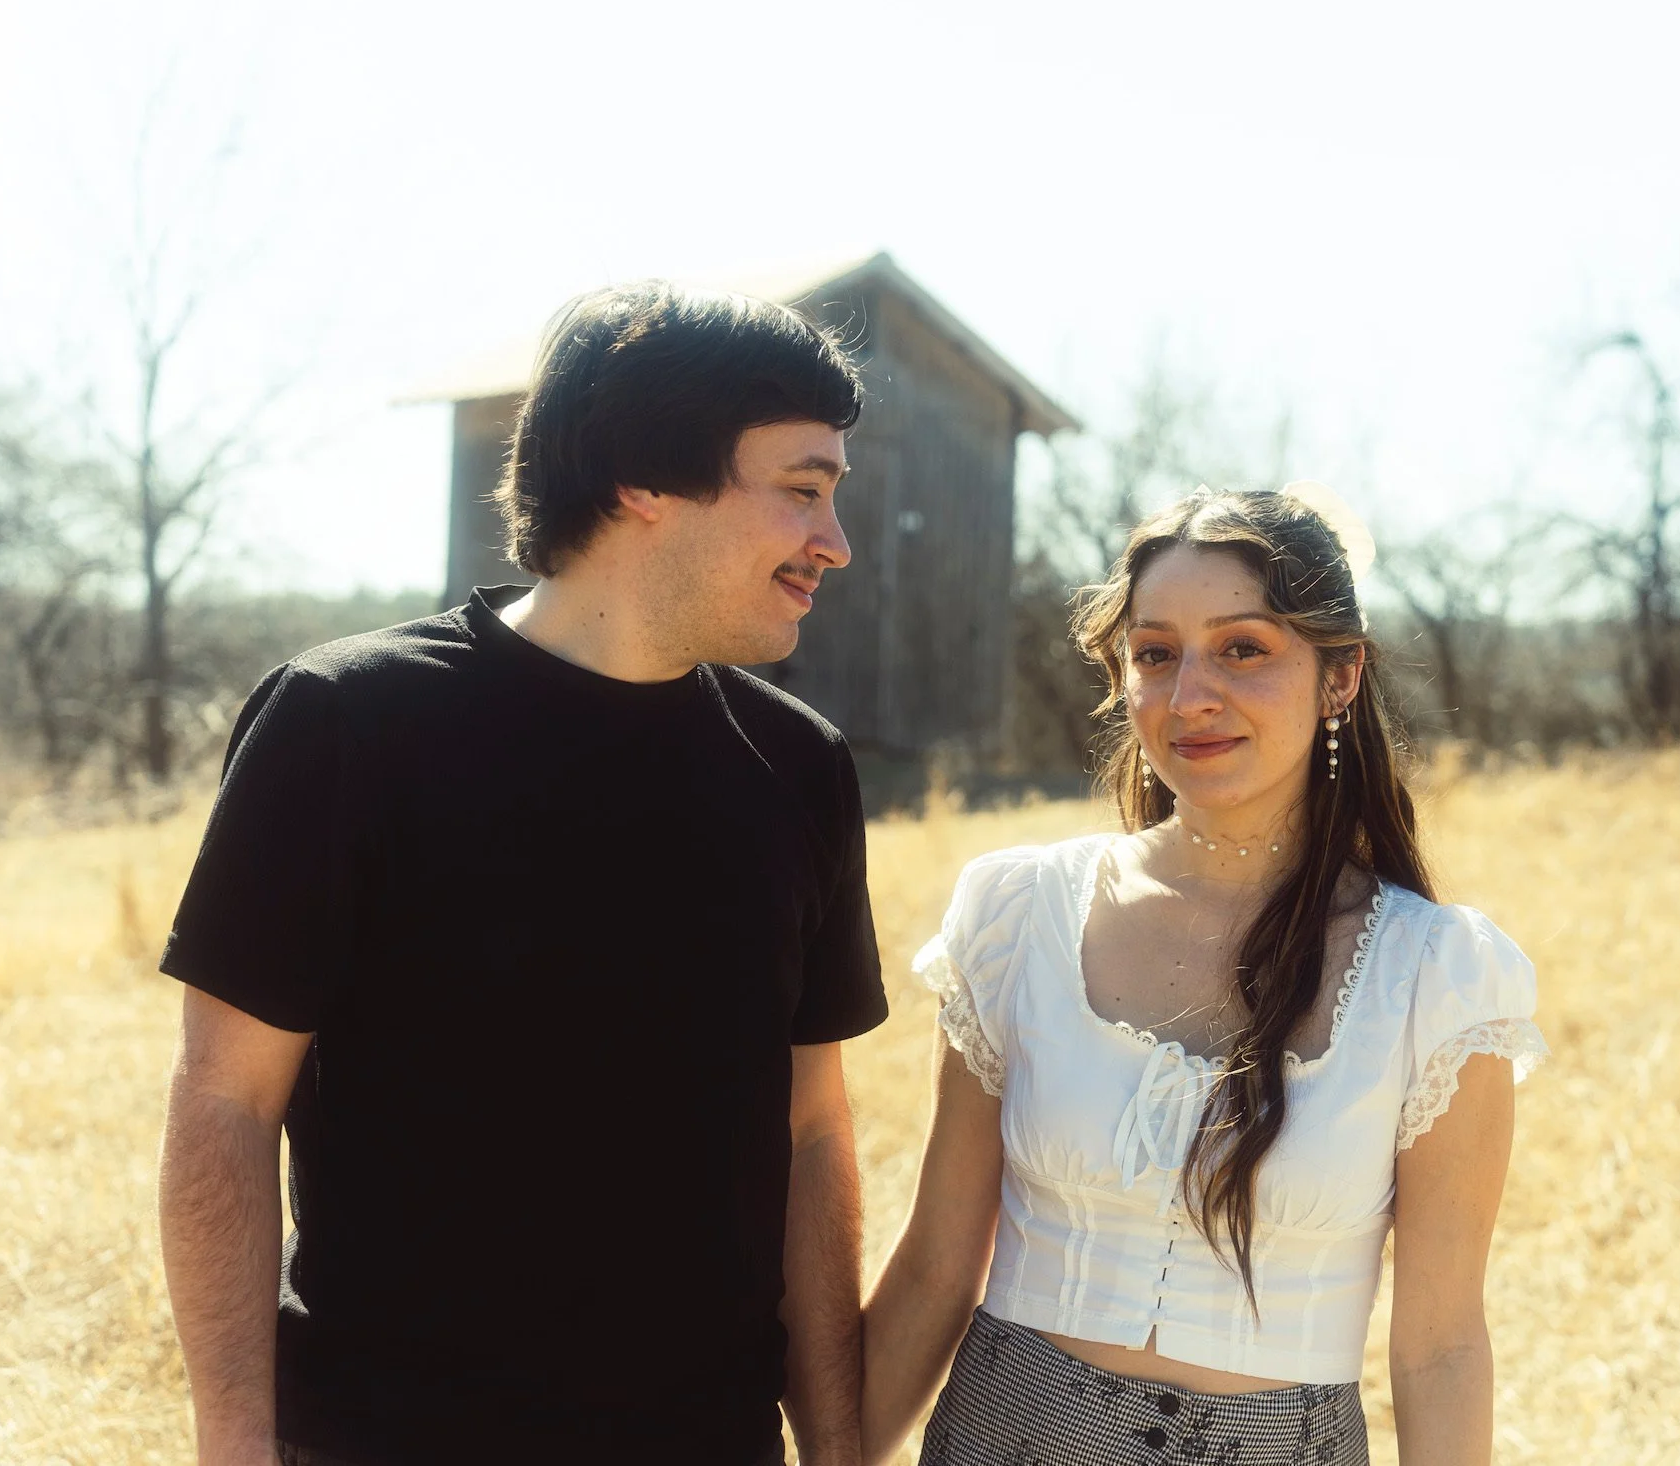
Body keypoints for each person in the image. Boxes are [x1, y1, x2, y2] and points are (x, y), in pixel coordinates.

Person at [155, 282, 888, 1466]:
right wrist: (235, 1445)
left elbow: (812, 1133)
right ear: (644, 479)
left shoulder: (800, 768)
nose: (835, 543)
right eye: (802, 490)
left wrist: (839, 1449)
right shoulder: (346, 723)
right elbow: (224, 1104)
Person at [861, 487, 1548, 1466]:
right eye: (1156, 654)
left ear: (1341, 676)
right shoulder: (1019, 914)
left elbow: (1440, 1347)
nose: (1189, 697)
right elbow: (936, 1268)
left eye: (1243, 649)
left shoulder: (1437, 976)